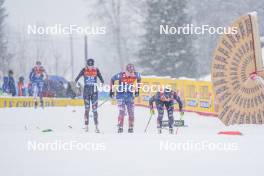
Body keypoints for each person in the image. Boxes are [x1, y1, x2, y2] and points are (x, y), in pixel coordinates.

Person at [109, 63, 141, 133]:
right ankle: (120, 127)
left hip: (130, 95)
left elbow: (139, 80)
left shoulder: (136, 75)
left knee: (131, 112)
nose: (131, 73)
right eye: (129, 72)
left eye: (132, 72)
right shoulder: (120, 75)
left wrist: (137, 91)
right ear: (126, 71)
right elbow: (112, 79)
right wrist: (111, 91)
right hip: (120, 95)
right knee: (122, 112)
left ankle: (130, 127)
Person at [75, 58, 104, 133]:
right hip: (86, 91)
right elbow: (76, 78)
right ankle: (86, 126)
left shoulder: (96, 70)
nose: (90, 67)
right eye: (89, 65)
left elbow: (101, 78)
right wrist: (76, 85)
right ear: (87, 65)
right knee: (87, 109)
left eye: (92, 65)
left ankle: (96, 126)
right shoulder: (84, 70)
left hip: (94, 90)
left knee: (94, 109)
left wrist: (102, 83)